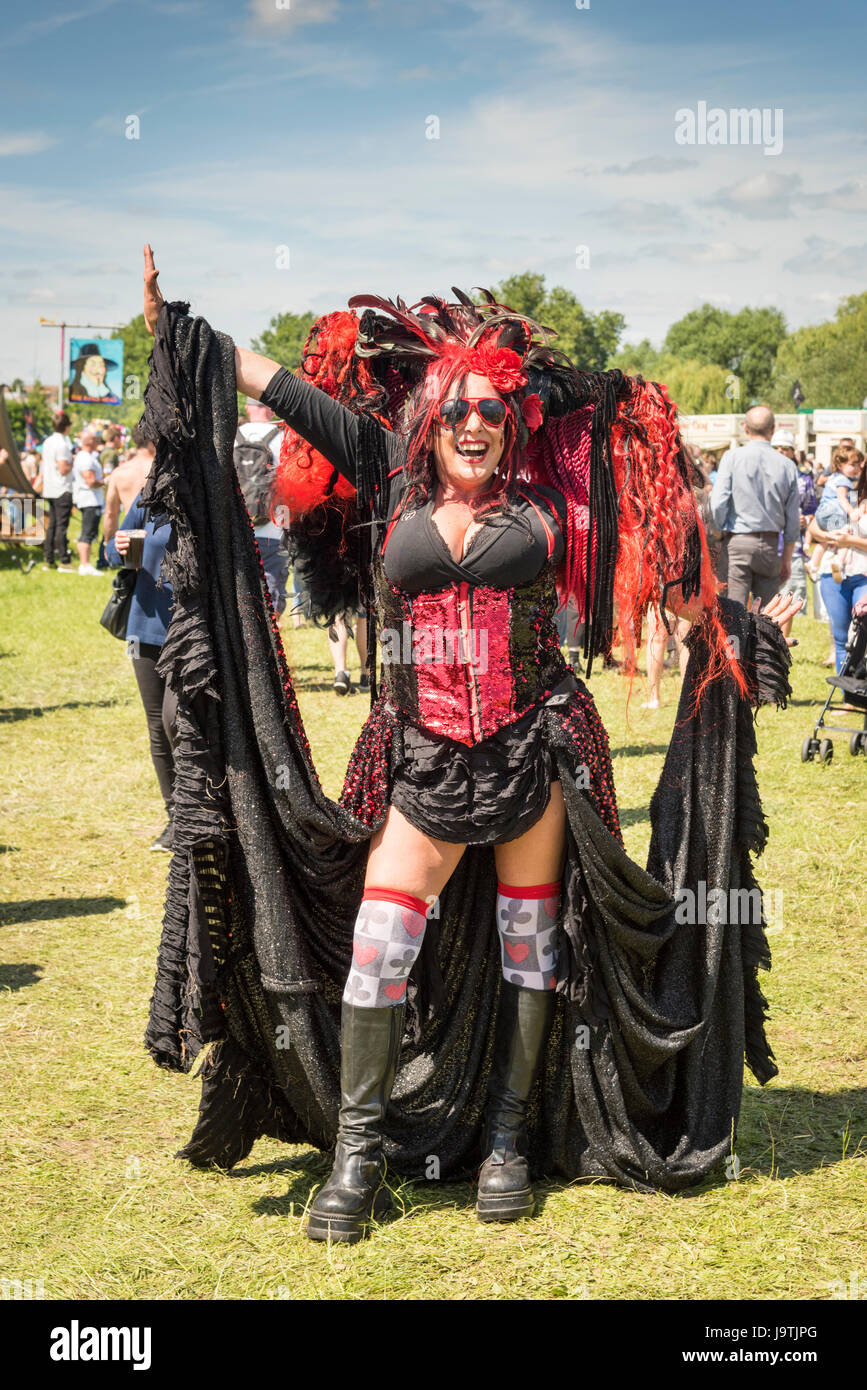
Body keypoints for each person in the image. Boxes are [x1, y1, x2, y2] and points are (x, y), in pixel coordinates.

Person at [139, 248, 800, 1244]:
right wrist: (175, 329)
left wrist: (723, 618)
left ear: (512, 425)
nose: (477, 423)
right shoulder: (384, 470)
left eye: (495, 410)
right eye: (459, 410)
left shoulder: (550, 505)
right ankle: (357, 1158)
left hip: (531, 748)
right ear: (431, 422)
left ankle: (504, 1137)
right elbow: (271, 379)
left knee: (533, 947)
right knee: (378, 949)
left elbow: (660, 556)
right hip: (422, 756)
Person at [105, 495, 177, 851]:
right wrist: (117, 548)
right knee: (156, 726)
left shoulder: (207, 488)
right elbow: (113, 551)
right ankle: (176, 818)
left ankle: (201, 808)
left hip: (190, 629)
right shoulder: (150, 496)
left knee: (175, 720)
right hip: (144, 628)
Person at [710, 406, 800, 608]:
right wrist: (786, 558)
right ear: (773, 429)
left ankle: (737, 640)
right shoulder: (787, 466)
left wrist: (717, 535)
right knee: (766, 617)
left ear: (745, 428)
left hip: (738, 542)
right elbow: (793, 519)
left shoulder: (731, 458)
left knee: (733, 614)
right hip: (770, 545)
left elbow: (717, 504)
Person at [807, 457, 867, 676]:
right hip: (833, 574)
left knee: (859, 638)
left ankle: (859, 693)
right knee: (842, 639)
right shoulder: (848, 495)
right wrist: (828, 536)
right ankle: (847, 696)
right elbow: (815, 525)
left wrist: (848, 541)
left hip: (863, 574)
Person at [235, 398, 290, 616]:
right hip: (274, 531)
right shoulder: (282, 438)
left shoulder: (233, 436)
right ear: (270, 409)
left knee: (240, 594)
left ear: (248, 408)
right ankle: (272, 644)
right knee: (272, 596)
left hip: (238, 529)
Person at [808, 446, 862, 582]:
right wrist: (852, 511)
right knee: (846, 534)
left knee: (827, 540)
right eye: (853, 465)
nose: (857, 468)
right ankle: (839, 562)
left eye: (858, 465)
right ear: (839, 465)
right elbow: (842, 498)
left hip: (822, 514)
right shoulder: (844, 481)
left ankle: (813, 564)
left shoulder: (832, 477)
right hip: (834, 514)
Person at [102, 428, 155, 543]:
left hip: (131, 537)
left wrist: (109, 543)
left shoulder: (119, 472)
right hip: (158, 535)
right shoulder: (163, 470)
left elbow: (110, 513)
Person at [71, 429, 104, 574]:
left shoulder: (86, 456)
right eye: (96, 439)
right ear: (90, 441)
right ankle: (85, 564)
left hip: (90, 498)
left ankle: (85, 564)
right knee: (88, 532)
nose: (98, 442)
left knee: (89, 531)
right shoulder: (85, 458)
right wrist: (105, 481)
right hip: (89, 499)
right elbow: (90, 481)